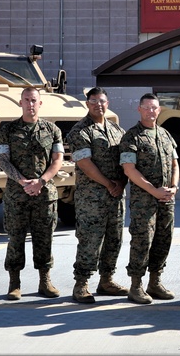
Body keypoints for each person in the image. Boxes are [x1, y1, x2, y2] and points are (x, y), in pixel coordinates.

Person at [0, 87, 64, 301]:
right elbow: (3, 159)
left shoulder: (52, 130)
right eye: (26, 100)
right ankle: (14, 283)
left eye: (34, 100)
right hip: (18, 193)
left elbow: (57, 160)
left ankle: (45, 281)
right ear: (20, 103)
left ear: (40, 103)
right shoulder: (8, 129)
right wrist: (22, 181)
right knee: (15, 238)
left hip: (44, 194)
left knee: (44, 239)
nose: (30, 104)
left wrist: (41, 181)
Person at [64, 87, 129, 303]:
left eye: (101, 101)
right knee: (90, 240)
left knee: (114, 239)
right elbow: (85, 164)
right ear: (87, 103)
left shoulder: (117, 131)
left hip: (115, 197)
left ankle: (106, 280)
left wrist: (121, 182)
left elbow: (126, 162)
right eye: (93, 101)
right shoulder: (80, 132)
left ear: (107, 103)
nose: (97, 105)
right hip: (92, 199)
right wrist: (109, 183)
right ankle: (81, 283)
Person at [120, 93, 180, 305]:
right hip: (144, 201)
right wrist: (153, 190)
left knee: (164, 240)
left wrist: (173, 187)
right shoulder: (131, 136)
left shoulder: (165, 135)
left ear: (159, 109)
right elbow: (129, 169)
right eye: (146, 108)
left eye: (154, 108)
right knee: (142, 241)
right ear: (139, 109)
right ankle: (136, 286)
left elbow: (175, 164)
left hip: (166, 200)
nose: (151, 111)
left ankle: (155, 282)